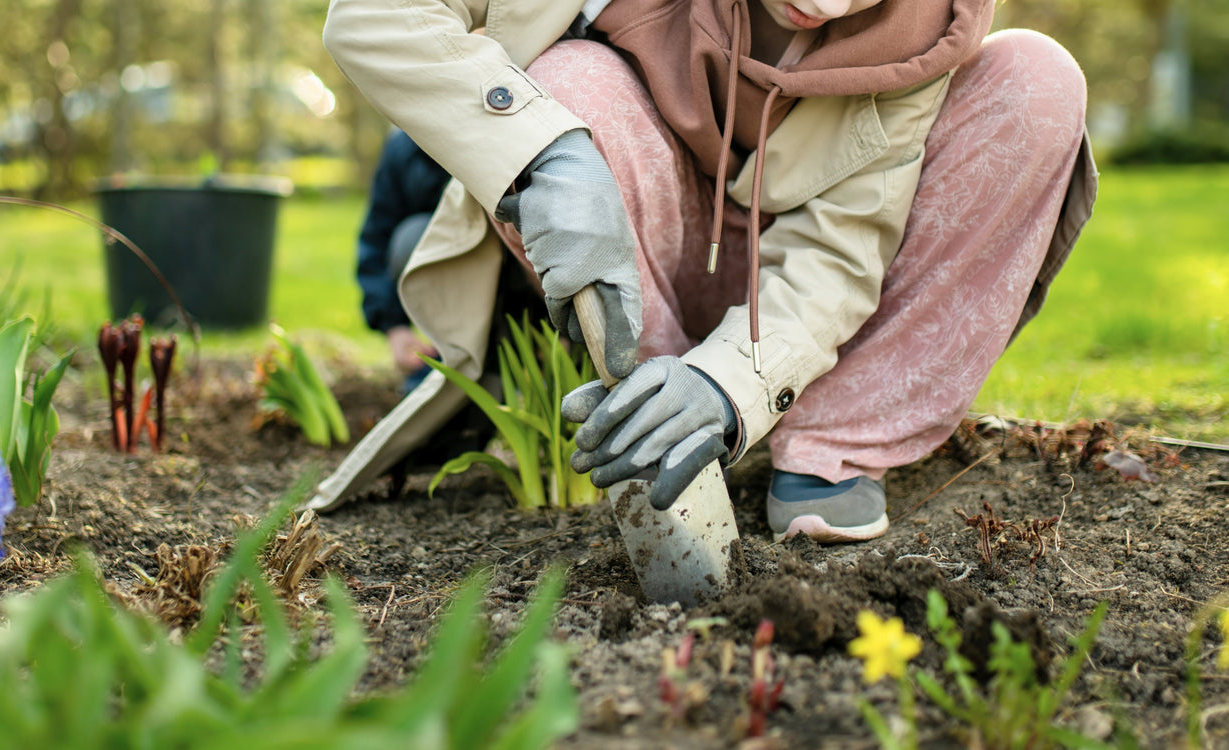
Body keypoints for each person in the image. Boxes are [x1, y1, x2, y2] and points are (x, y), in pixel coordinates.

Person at [310, 0, 1096, 545]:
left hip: (797, 297)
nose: (820, 8)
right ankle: (647, 427)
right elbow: (373, 17)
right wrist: (539, 145)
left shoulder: (924, 23)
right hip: (640, 242)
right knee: (573, 79)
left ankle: (831, 445)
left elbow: (840, 244)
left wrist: (732, 381)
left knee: (1039, 79)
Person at [356, 128, 450, 394]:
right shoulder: (403, 148)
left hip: (509, 277)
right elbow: (377, 238)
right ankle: (444, 357)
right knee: (411, 239)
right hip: (444, 277)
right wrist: (394, 326)